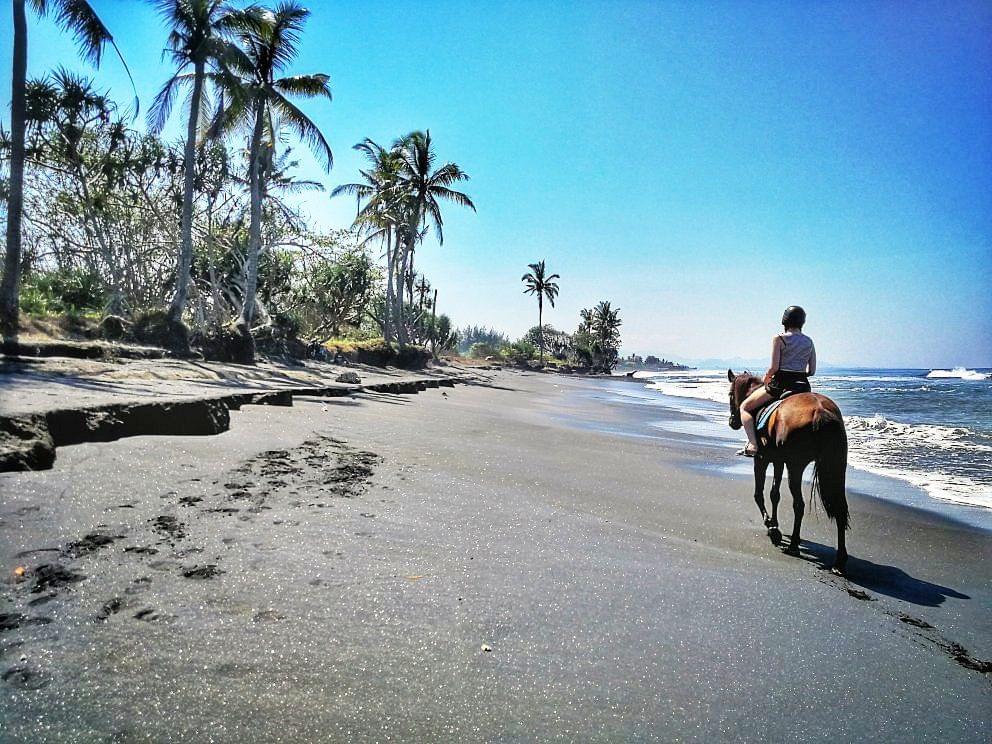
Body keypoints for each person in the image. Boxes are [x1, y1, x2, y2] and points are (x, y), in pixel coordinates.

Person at [739, 305, 816, 457]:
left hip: (781, 385)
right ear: (802, 322)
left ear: (785, 320)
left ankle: (753, 444)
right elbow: (812, 371)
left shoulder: (779, 339)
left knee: (745, 407)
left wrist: (766, 378)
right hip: (803, 386)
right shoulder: (809, 341)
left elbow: (774, 367)